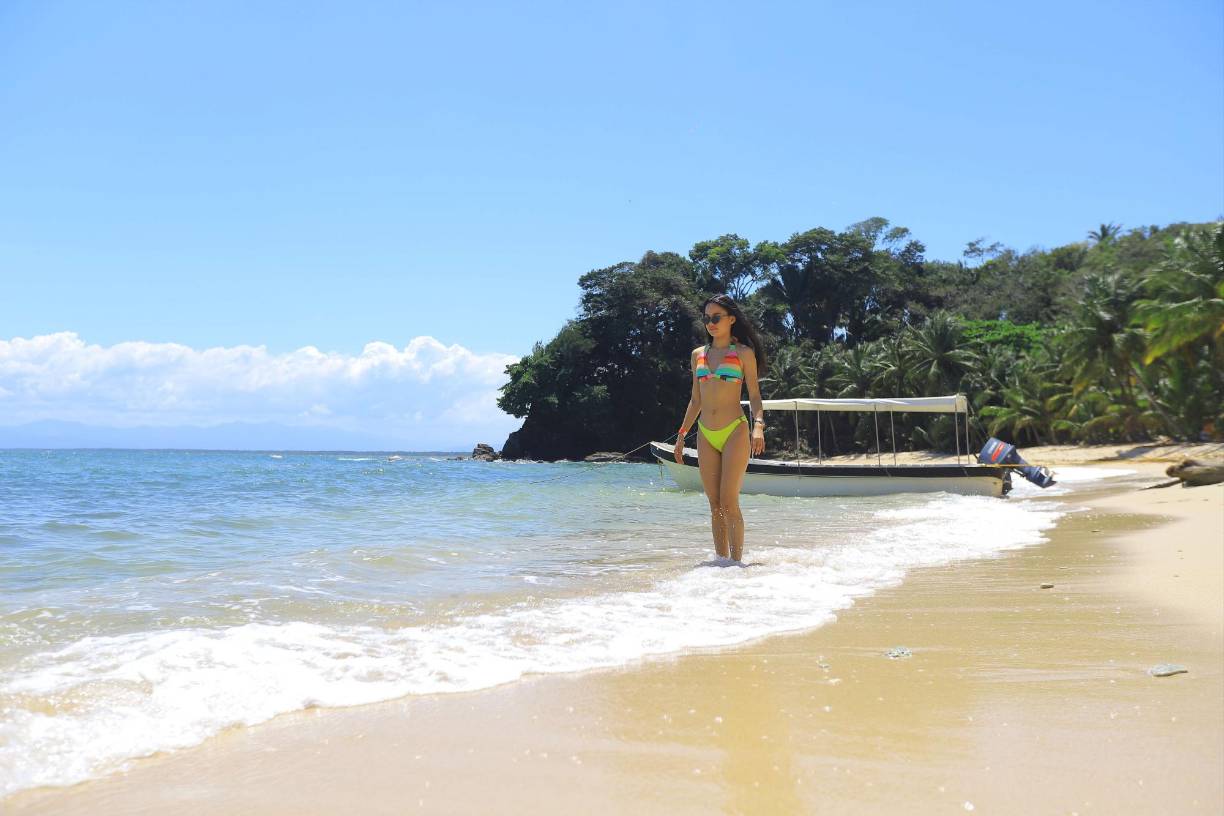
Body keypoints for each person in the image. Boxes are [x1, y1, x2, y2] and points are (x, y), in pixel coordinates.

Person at [673, 294, 767, 562]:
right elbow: (696, 399)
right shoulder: (698, 355)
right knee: (714, 504)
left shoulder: (742, 354)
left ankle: (737, 564)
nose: (710, 323)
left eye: (716, 317)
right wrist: (681, 435)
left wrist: (758, 425)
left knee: (728, 501)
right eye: (706, 318)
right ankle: (720, 564)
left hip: (735, 430)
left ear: (731, 319)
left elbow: (756, 396)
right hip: (706, 433)